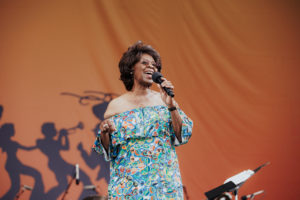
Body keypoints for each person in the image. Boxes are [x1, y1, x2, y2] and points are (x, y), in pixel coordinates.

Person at [92, 41, 193, 199]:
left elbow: (182, 135)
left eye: (154, 65)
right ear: (131, 68)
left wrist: (172, 106)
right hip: (128, 187)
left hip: (163, 185)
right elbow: (108, 151)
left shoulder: (164, 100)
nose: (151, 67)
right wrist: (104, 133)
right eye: (144, 63)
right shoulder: (116, 106)